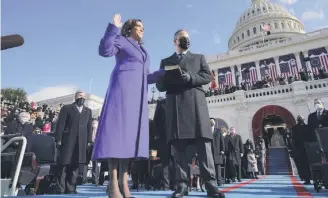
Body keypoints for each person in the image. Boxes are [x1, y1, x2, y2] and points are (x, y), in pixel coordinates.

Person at [92, 14, 163, 198]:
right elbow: (105, 50)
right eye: (138, 26)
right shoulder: (122, 40)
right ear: (129, 28)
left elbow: (146, 77)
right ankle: (113, 183)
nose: (141, 29)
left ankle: (124, 182)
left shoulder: (144, 52)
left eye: (143, 28)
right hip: (121, 91)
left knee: (130, 139)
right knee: (117, 136)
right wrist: (113, 27)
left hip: (137, 97)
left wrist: (163, 73)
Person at [156, 29, 225, 198]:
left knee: (204, 148)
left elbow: (207, 76)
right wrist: (169, 78)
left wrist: (190, 78)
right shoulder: (165, 61)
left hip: (196, 106)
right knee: (179, 150)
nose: (185, 40)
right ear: (175, 41)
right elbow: (159, 85)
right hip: (176, 108)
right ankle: (182, 186)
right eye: (182, 38)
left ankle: (211, 185)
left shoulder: (199, 58)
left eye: (187, 38)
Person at [54, 91, 93, 194]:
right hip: (68, 140)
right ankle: (61, 188)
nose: (82, 97)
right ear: (75, 97)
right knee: (64, 164)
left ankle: (71, 188)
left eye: (84, 96)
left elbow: (89, 127)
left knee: (75, 165)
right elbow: (61, 124)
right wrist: (58, 138)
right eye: (80, 95)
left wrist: (89, 140)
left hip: (81, 142)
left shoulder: (88, 111)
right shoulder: (66, 108)